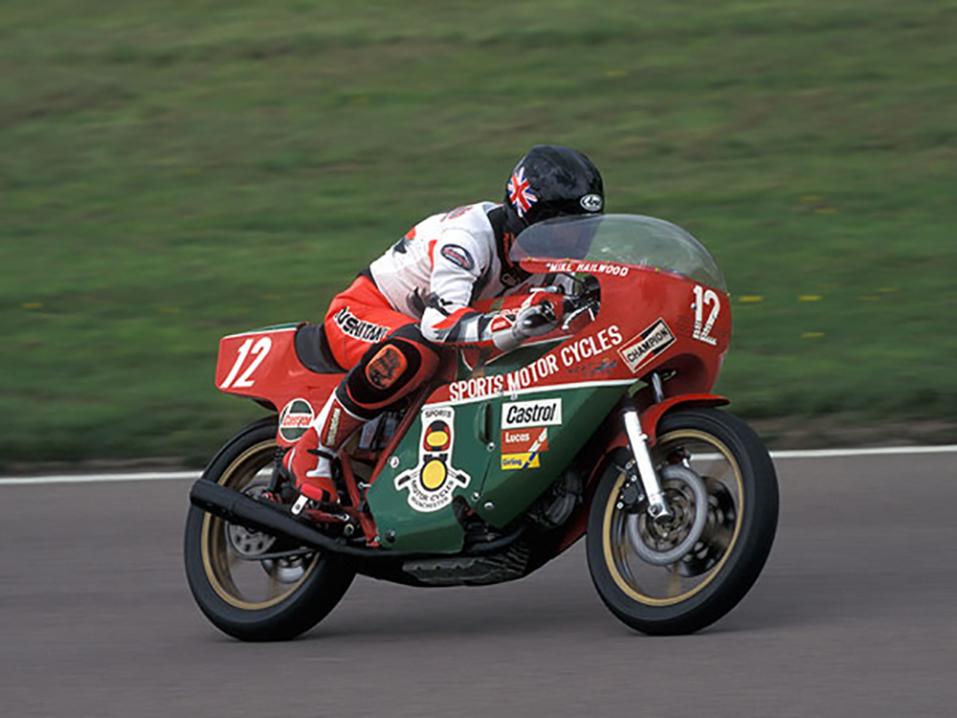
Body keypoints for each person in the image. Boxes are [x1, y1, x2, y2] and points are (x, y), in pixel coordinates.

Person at [283, 144, 605, 513]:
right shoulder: (468, 238)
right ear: (529, 216)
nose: (577, 241)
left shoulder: (553, 262)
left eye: (586, 229)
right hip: (364, 310)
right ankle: (313, 448)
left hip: (425, 328)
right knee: (415, 349)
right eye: (567, 230)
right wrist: (513, 325)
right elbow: (438, 326)